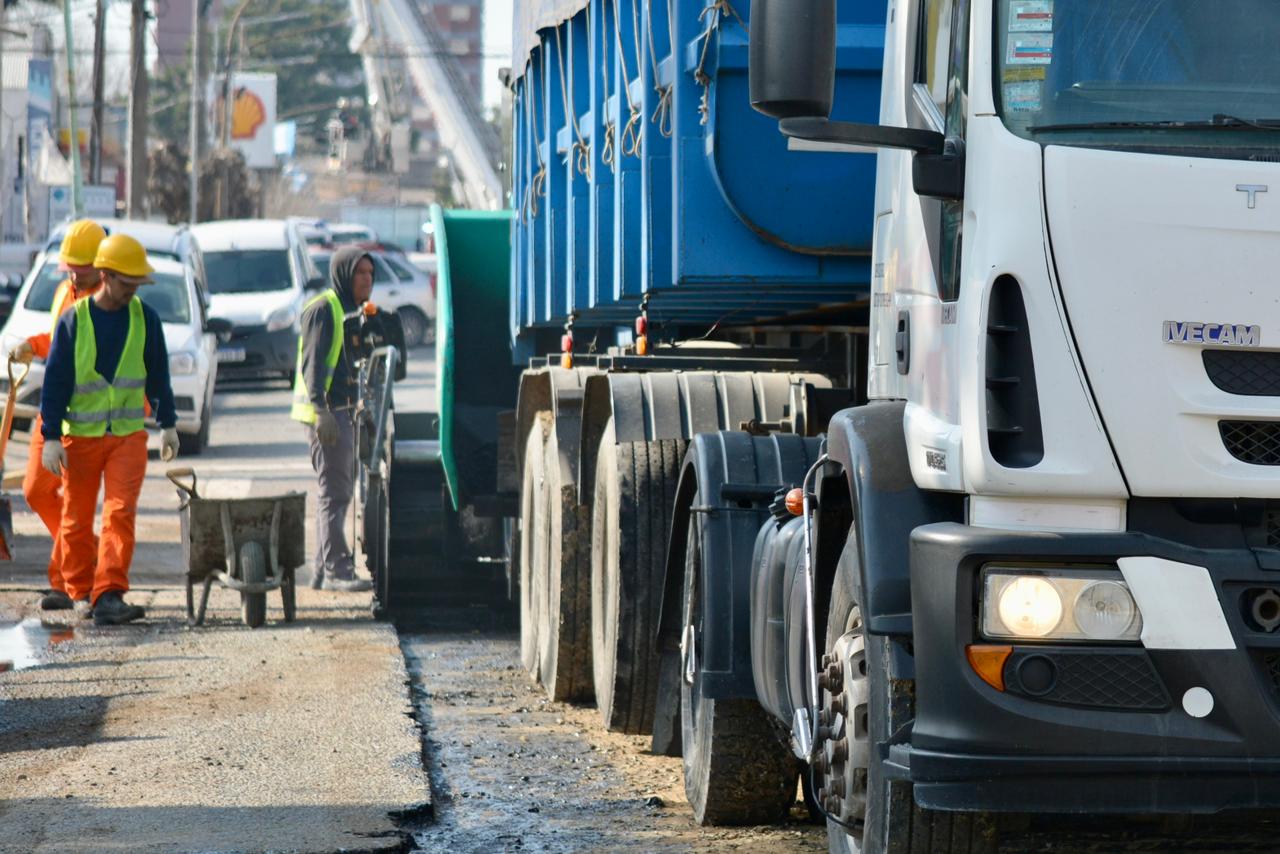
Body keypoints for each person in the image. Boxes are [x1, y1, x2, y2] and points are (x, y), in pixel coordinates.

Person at [40, 234, 180, 626]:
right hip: (80, 439)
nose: (133, 290)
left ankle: (109, 594)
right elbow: (55, 382)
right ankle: (80, 589)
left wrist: (168, 424)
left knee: (119, 514)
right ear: (105, 276)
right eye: (127, 282)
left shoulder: (144, 318)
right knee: (76, 519)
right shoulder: (75, 320)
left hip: (127, 436)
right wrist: (50, 436)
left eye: (137, 283)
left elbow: (158, 374)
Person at [9, 219, 107, 615]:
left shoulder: (105, 303)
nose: (71, 272)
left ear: (100, 264)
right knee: (35, 490)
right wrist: (31, 345)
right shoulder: (66, 291)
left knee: (73, 506)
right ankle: (91, 555)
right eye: (68, 265)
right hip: (52, 408)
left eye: (78, 266)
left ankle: (67, 581)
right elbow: (58, 338)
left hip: (80, 416)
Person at [291, 246, 374, 592]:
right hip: (327, 416)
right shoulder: (325, 309)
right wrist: (321, 410)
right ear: (343, 274)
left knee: (336, 490)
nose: (367, 281)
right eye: (360, 273)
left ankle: (322, 570)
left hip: (341, 412)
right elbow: (313, 365)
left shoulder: (347, 311)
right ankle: (338, 570)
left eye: (370, 274)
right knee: (335, 493)